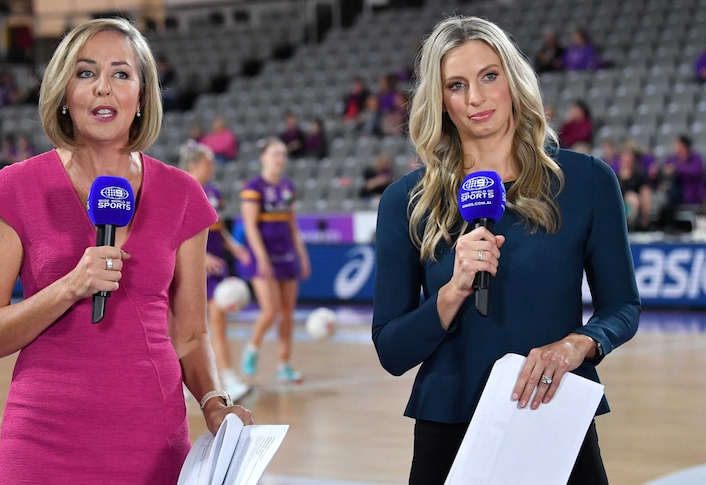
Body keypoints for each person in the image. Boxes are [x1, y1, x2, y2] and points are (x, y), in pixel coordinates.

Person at [0, 18, 252, 484]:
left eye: (121, 73)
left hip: (153, 442)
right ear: (63, 91)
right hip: (43, 439)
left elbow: (192, 335)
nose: (103, 88)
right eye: (85, 73)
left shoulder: (182, 194)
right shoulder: (14, 188)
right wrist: (70, 287)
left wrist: (214, 403)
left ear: (141, 95)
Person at [372, 16, 639, 485]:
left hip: (555, 413)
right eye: (456, 85)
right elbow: (392, 351)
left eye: (488, 76)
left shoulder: (588, 181)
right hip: (448, 425)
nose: (475, 98)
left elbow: (622, 307)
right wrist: (452, 292)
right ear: (441, 102)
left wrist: (577, 345)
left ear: (513, 80)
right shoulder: (406, 201)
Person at [179, 139, 253, 402]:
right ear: (196, 163)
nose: (213, 167)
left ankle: (225, 378)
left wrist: (235, 248)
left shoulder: (213, 191)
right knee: (187, 324)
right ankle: (196, 379)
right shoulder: (180, 188)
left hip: (217, 265)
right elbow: (175, 231)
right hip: (192, 264)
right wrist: (202, 256)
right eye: (209, 162)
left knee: (218, 321)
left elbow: (218, 228)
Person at [238, 138, 311, 384]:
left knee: (288, 314)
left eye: (282, 154)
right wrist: (262, 258)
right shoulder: (253, 187)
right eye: (275, 154)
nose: (280, 159)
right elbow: (250, 226)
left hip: (287, 254)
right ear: (263, 157)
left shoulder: (288, 187)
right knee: (270, 311)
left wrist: (302, 255)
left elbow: (292, 225)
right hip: (264, 256)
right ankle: (252, 348)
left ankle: (284, 365)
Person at [617, 145, 652, 231]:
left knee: (633, 198)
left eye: (628, 157)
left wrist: (645, 212)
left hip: (636, 204)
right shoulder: (615, 176)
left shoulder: (639, 175)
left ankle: (633, 226)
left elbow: (645, 191)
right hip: (618, 204)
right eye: (624, 157)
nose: (626, 160)